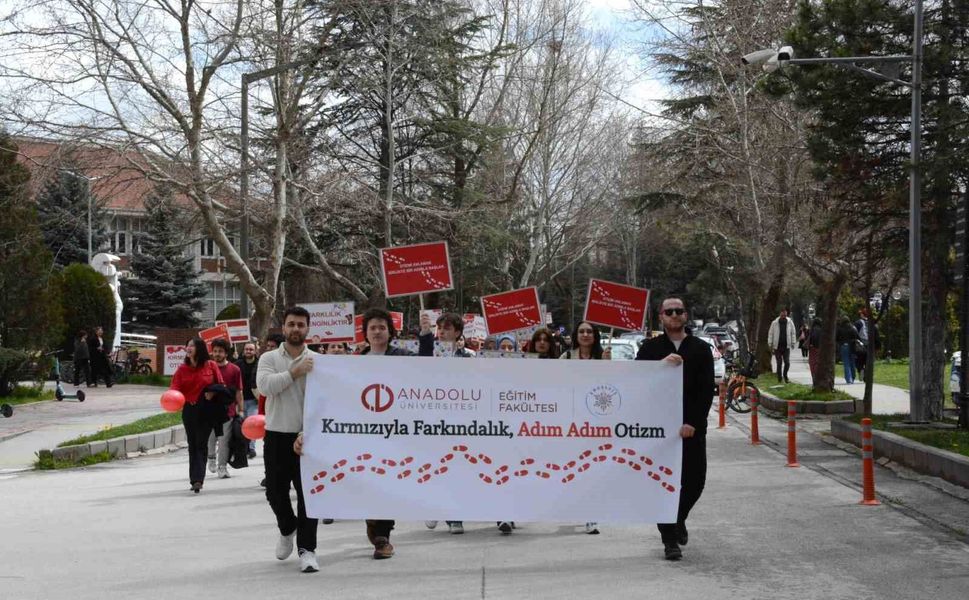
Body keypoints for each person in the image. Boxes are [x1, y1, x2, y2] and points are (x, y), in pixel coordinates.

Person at [636, 297, 714, 561]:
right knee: (662, 484)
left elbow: (706, 391)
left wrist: (693, 422)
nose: (674, 315)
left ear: (686, 315)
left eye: (679, 311)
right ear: (661, 317)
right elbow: (636, 381)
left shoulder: (701, 349)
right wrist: (660, 365)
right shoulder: (650, 348)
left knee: (694, 481)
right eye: (669, 311)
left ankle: (678, 518)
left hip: (691, 429)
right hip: (658, 429)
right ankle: (669, 540)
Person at [421, 312, 505, 536]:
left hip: (465, 421)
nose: (442, 332)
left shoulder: (469, 357)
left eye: (447, 328)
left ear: (458, 332)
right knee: (443, 468)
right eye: (440, 328)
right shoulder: (430, 354)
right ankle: (449, 515)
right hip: (437, 422)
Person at [256, 306, 322, 573]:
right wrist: (295, 371)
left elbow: (322, 403)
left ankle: (308, 550)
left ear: (308, 329)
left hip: (307, 438)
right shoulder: (269, 358)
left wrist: (307, 432)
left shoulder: (318, 360)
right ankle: (287, 527)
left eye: (301, 325)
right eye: (291, 324)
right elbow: (265, 387)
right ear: (283, 328)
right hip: (276, 435)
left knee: (309, 497)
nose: (296, 329)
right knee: (275, 492)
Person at [560, 320, 610, 534]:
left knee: (594, 467)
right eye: (581, 331)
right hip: (571, 421)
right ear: (575, 335)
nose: (586, 334)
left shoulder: (604, 357)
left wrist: (609, 366)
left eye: (590, 331)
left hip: (597, 421)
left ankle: (592, 515)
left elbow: (614, 385)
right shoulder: (566, 357)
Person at [168, 338, 225, 494]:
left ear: (199, 348)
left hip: (206, 410)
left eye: (192, 345)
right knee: (192, 444)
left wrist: (212, 392)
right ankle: (194, 478)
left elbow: (221, 385)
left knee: (201, 442)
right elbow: (174, 389)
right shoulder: (181, 369)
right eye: (187, 345)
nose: (189, 348)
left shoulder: (211, 365)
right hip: (189, 410)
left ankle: (198, 479)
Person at [207, 338, 244, 479]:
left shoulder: (234, 369)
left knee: (224, 440)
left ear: (226, 353)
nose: (217, 354)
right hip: (209, 410)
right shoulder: (207, 367)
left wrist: (241, 410)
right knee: (210, 437)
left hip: (227, 410)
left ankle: (222, 466)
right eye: (215, 351)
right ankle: (211, 457)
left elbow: (239, 391)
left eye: (220, 351)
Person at [236, 342, 260, 458]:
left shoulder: (260, 364)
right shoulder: (238, 364)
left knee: (252, 425)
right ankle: (244, 448)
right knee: (242, 426)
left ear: (255, 351)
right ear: (243, 351)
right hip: (240, 400)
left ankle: (251, 448)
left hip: (254, 401)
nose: (248, 351)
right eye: (246, 349)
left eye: (251, 349)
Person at [767, 309, 797, 383]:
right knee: (779, 362)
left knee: (787, 362)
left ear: (786, 315)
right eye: (782, 315)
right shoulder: (774, 323)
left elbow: (793, 333)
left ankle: (785, 376)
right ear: (780, 314)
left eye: (785, 315)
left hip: (786, 346)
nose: (784, 316)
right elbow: (771, 333)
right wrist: (770, 343)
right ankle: (779, 378)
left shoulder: (790, 322)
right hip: (777, 346)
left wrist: (793, 342)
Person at [836, 317, 860, 384]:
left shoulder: (840, 328)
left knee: (846, 363)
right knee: (852, 362)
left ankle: (848, 379)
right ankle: (853, 377)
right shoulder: (853, 328)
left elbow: (836, 338)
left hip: (844, 346)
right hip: (852, 346)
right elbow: (857, 337)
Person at [854, 309, 870, 381]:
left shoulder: (858, 323)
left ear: (862, 315)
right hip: (869, 345)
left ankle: (860, 370)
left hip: (860, 344)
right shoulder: (872, 323)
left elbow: (854, 332)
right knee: (867, 361)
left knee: (859, 360)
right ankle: (866, 375)